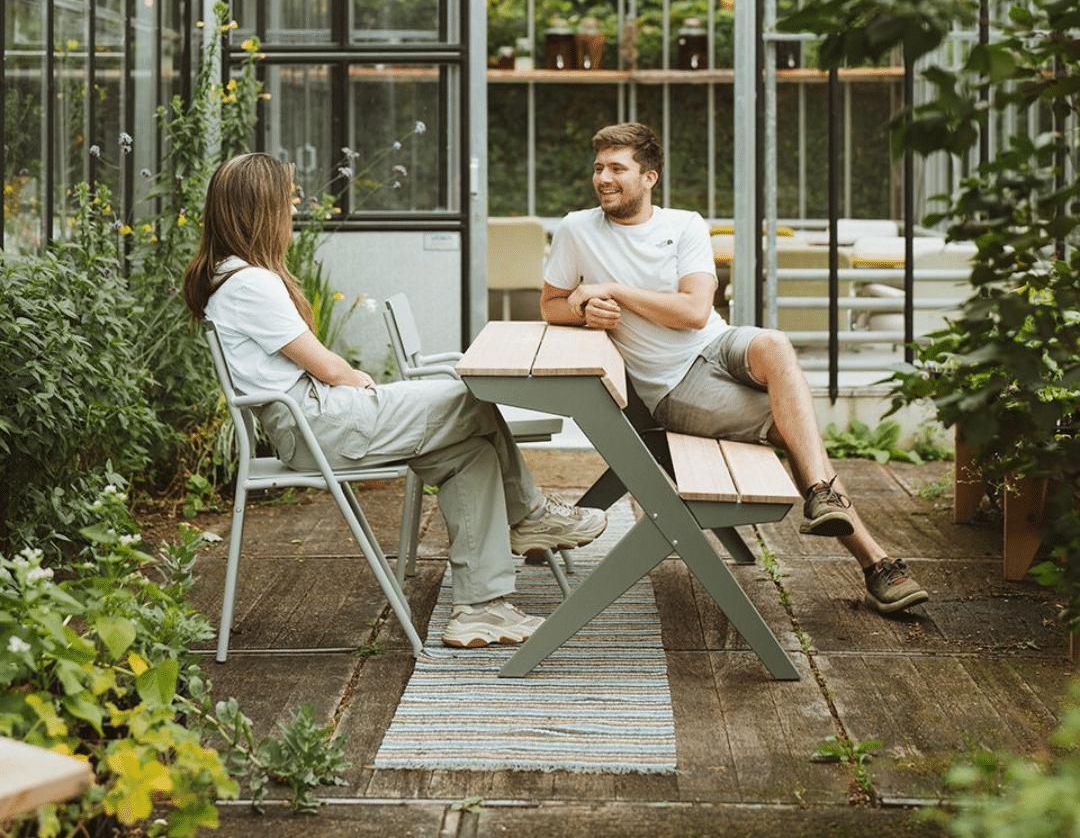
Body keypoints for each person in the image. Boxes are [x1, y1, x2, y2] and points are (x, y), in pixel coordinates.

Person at [183, 153, 606, 649]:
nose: (292, 214)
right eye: (286, 203)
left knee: (469, 454)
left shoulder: (230, 278)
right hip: (322, 425)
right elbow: (325, 366)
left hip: (316, 421)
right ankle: (531, 515)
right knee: (473, 397)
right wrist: (357, 379)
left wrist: (352, 383)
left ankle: (481, 609)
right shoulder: (250, 283)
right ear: (259, 210)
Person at [540, 122, 928, 615]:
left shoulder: (685, 224)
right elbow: (551, 304)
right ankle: (872, 560)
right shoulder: (578, 229)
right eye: (598, 168)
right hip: (675, 387)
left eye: (617, 168)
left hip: (717, 343)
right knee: (794, 427)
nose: (603, 178)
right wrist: (580, 310)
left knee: (774, 343)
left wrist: (611, 291)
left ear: (650, 178)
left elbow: (694, 312)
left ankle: (829, 505)